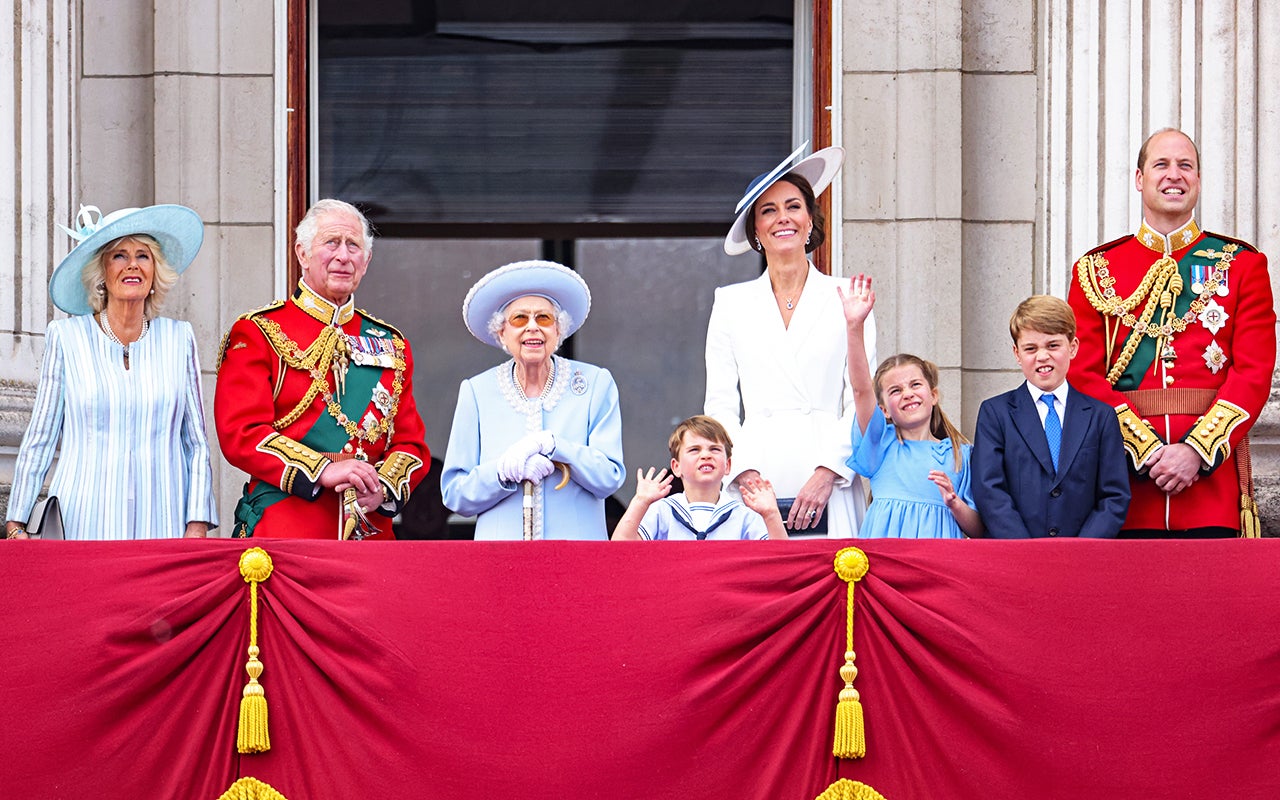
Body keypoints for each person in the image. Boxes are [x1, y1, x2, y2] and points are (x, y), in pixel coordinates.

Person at [1066, 128, 1276, 537]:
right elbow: (1081, 373)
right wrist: (1146, 451)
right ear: (1140, 179)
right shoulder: (1096, 269)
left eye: (1186, 166)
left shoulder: (1242, 265)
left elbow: (1253, 372)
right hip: (1124, 489)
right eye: (1161, 164)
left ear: (1198, 180)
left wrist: (1196, 452)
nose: (1174, 175)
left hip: (1209, 490)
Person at [214, 199, 429, 539]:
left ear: (366, 260)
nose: (343, 256)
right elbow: (241, 432)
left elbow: (410, 444)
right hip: (285, 526)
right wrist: (322, 470)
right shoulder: (260, 331)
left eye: (354, 246)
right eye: (331, 243)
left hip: (368, 533)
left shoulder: (391, 343)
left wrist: (383, 488)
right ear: (302, 254)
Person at [5, 204, 218, 540]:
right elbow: (41, 436)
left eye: (143, 255)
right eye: (119, 255)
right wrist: (16, 521)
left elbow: (196, 442)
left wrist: (197, 522)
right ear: (101, 272)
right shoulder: (67, 337)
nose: (132, 264)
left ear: (155, 272)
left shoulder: (179, 339)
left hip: (163, 521)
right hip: (84, 521)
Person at [705, 143, 875, 537]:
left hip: (829, 476)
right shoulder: (729, 303)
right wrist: (744, 470)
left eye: (793, 206)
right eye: (768, 210)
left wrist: (828, 472)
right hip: (755, 477)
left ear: (811, 221)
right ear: (756, 232)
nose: (783, 218)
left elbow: (860, 399)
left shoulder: (850, 295)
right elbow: (720, 403)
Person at [441, 260, 625, 540]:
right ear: (501, 332)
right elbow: (455, 495)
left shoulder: (595, 384)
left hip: (576, 555)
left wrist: (556, 447)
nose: (532, 328)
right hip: (500, 558)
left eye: (544, 318)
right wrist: (502, 473)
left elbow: (609, 477)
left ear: (558, 331)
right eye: (519, 319)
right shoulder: (477, 391)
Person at [971, 296, 1130, 538]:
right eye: (1031, 348)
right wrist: (1026, 550)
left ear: (1073, 347)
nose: (1042, 356)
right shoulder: (995, 414)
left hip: (1082, 557)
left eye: (1053, 345)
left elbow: (1114, 495)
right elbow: (989, 489)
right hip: (1016, 555)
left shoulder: (1101, 417)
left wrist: (1080, 549)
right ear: (1017, 353)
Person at [839, 274, 980, 539]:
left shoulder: (962, 454)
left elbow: (979, 528)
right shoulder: (880, 444)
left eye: (915, 385)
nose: (908, 394)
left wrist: (954, 503)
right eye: (895, 390)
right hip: (886, 562)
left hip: (939, 562)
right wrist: (854, 326)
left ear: (934, 394)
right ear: (883, 410)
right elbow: (861, 389)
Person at [613, 415, 787, 540]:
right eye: (694, 450)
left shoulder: (743, 515)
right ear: (676, 467)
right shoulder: (663, 511)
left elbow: (779, 562)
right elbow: (620, 548)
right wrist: (640, 502)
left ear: (728, 466)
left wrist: (771, 514)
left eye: (715, 449)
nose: (705, 455)